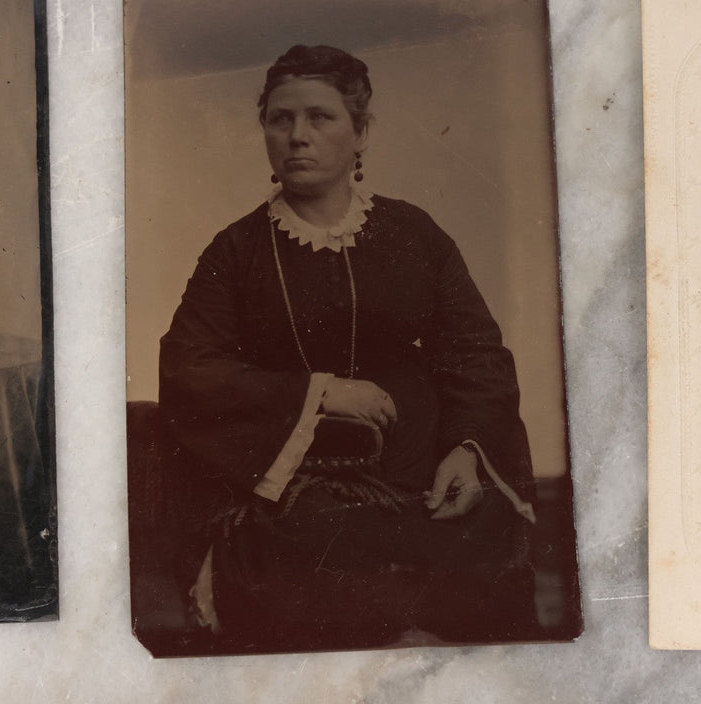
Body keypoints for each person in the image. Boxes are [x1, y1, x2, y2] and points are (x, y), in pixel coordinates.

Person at [158, 45, 540, 648]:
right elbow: (188, 369)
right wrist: (321, 393)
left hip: (422, 465)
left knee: (480, 524)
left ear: (360, 133)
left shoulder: (414, 232)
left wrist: (466, 449)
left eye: (320, 117)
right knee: (317, 541)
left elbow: (475, 353)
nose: (297, 137)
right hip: (296, 478)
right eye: (280, 119)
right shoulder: (235, 251)